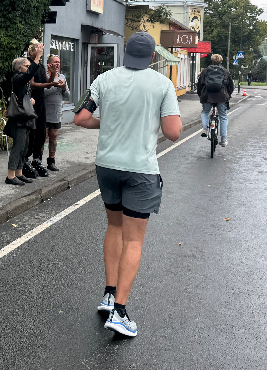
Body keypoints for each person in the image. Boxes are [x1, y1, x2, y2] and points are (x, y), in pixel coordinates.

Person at [74, 32, 181, 338]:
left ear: (125, 53)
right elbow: (173, 132)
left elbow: (80, 118)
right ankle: (119, 313)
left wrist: (107, 123)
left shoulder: (104, 79)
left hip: (107, 166)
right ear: (152, 57)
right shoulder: (162, 84)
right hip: (140, 170)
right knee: (133, 240)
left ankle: (109, 296)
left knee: (114, 227)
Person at [3, 42, 44, 186]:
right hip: (20, 118)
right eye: (26, 66)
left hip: (25, 117)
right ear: (20, 68)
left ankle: (19, 173)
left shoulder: (22, 80)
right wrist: (38, 57)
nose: (28, 68)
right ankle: (10, 176)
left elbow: (23, 94)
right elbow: (30, 73)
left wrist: (30, 99)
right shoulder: (18, 78)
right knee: (18, 146)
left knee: (24, 147)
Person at [24, 39, 53, 178]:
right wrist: (50, 84)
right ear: (31, 51)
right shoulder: (28, 64)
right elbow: (32, 84)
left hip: (40, 102)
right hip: (31, 101)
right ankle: (25, 161)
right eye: (37, 49)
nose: (40, 51)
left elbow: (47, 81)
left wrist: (52, 74)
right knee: (31, 132)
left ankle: (37, 159)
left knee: (41, 132)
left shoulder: (40, 66)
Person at [197, 54, 234, 147]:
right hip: (221, 96)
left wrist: (200, 95)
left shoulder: (205, 71)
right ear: (221, 62)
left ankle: (205, 128)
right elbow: (231, 86)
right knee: (223, 116)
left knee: (205, 112)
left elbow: (199, 85)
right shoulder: (225, 72)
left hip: (207, 96)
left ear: (212, 61)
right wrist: (228, 96)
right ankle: (223, 140)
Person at [43, 54, 69, 171]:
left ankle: (51, 161)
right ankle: (38, 161)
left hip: (56, 113)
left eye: (59, 62)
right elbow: (42, 93)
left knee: (53, 137)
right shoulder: (44, 76)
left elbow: (67, 95)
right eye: (55, 62)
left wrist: (63, 88)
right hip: (44, 112)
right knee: (42, 138)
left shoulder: (62, 77)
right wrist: (55, 85)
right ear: (49, 64)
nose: (57, 64)